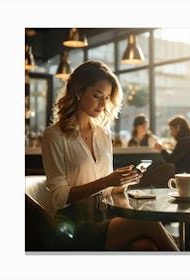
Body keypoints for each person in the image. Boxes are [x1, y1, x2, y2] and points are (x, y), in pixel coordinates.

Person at [42, 60, 179, 251]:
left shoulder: (103, 134)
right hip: (73, 226)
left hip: (104, 217)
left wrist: (121, 181)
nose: (102, 104)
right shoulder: (54, 135)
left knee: (145, 247)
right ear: (78, 91)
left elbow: (107, 190)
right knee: (149, 222)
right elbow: (59, 198)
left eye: (106, 98)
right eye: (97, 95)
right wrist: (107, 181)